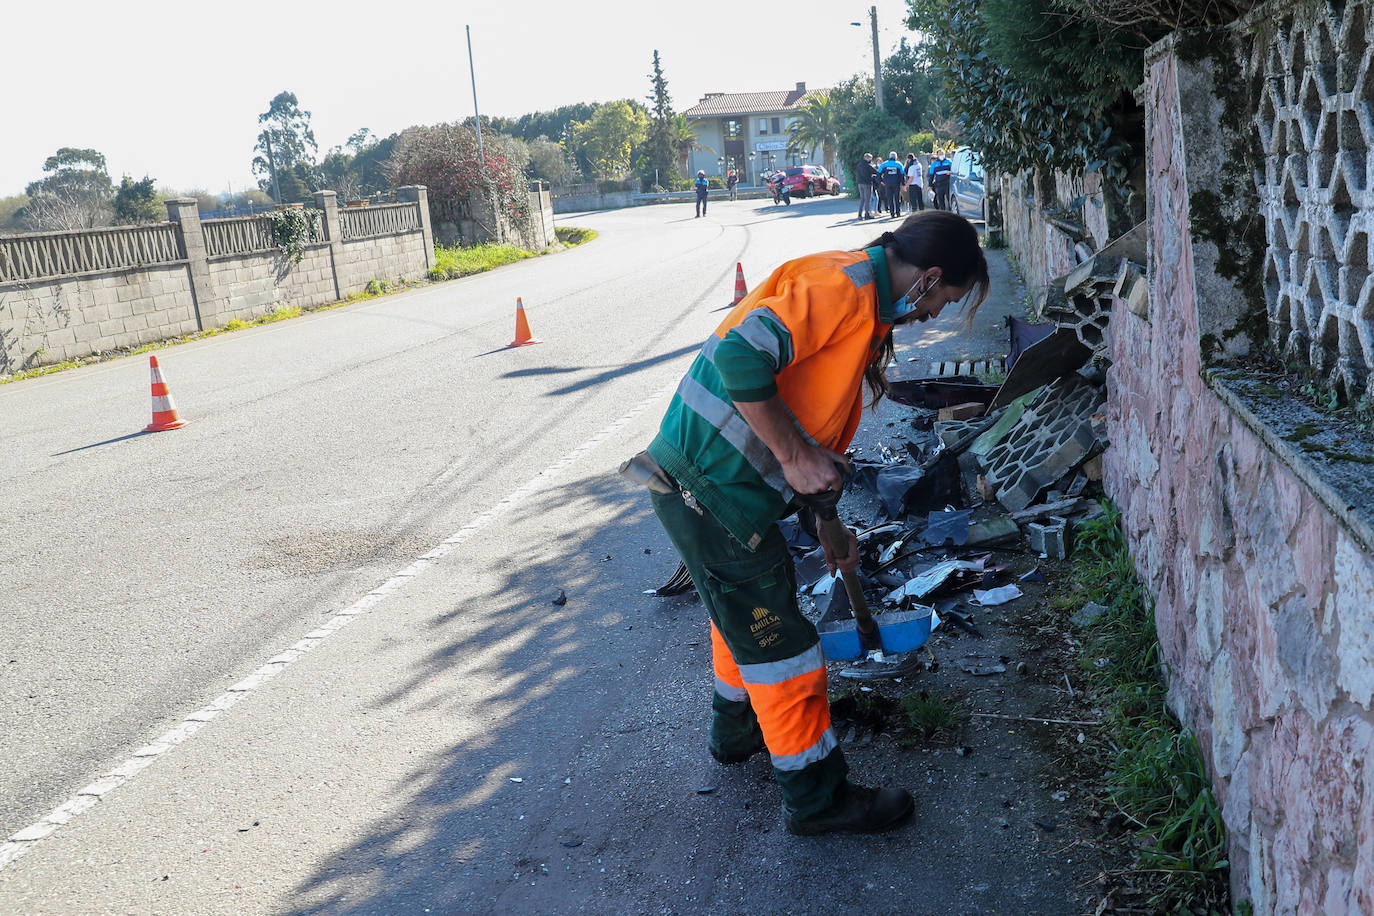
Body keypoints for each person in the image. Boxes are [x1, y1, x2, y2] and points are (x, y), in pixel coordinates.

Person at [623, 210, 990, 836]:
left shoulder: (867, 304)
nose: (935, 316)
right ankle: (816, 798)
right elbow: (740, 358)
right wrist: (794, 457)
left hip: (718, 487)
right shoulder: (841, 287)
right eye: (946, 300)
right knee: (784, 646)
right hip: (712, 487)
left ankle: (738, 730)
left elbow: (809, 428)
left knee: (743, 612)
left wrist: (829, 525)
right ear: (928, 278)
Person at [878, 152, 905, 219]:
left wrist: (881, 181)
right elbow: (902, 175)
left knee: (890, 198)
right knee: (897, 198)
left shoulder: (884, 164)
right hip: (896, 183)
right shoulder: (899, 164)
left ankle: (892, 213)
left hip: (887, 184)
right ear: (896, 157)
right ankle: (898, 213)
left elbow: (878, 174)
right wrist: (903, 184)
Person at [855, 153, 878, 220]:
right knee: (868, 199)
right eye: (870, 158)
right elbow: (875, 172)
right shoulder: (868, 165)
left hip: (860, 183)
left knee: (862, 199)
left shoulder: (859, 165)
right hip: (867, 184)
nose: (871, 160)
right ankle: (867, 214)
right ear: (867, 158)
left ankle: (859, 214)